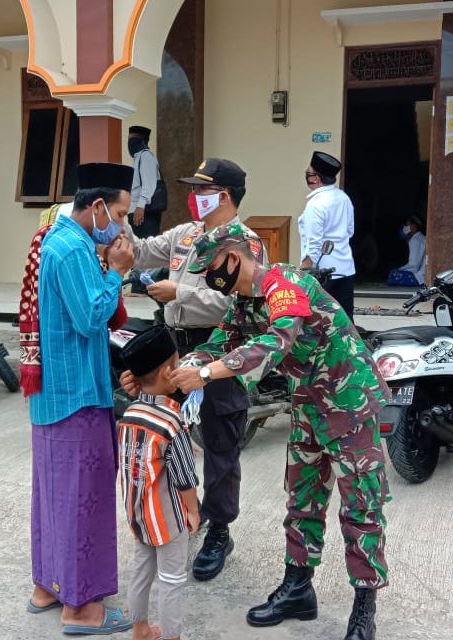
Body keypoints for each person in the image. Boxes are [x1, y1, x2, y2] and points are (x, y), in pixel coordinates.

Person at [169, 222, 391, 640]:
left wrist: (207, 373)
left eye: (212, 267)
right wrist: (189, 363)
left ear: (234, 259)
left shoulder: (284, 284)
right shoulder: (242, 301)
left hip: (349, 403)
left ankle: (364, 608)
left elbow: (276, 342)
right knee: (302, 497)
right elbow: (222, 340)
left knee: (360, 506)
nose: (208, 278)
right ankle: (298, 590)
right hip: (308, 401)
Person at [120, 157, 265, 583]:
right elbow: (145, 249)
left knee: (220, 441)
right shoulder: (187, 234)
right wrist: (123, 215)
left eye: (200, 191)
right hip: (173, 349)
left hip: (216, 350)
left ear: (222, 196)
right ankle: (184, 510)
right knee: (167, 435)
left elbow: (229, 303)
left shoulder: (244, 242)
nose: (192, 197)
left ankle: (219, 529)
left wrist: (177, 291)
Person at [24, 162, 136, 636]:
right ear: (96, 207)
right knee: (82, 500)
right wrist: (117, 272)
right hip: (76, 396)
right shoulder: (71, 249)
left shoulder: (60, 240)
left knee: (54, 495)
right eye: (120, 212)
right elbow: (91, 319)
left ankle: (49, 586)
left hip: (55, 394)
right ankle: (83, 609)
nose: (124, 224)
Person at [117, 325, 201, 640]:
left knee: (141, 570)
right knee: (171, 578)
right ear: (169, 372)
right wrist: (193, 511)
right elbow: (184, 476)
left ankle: (139, 628)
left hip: (137, 511)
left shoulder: (129, 414)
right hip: (167, 518)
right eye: (178, 365)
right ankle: (172, 636)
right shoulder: (170, 423)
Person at [300, 151, 356, 320]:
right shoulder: (343, 198)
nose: (306, 176)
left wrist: (304, 276)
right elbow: (350, 231)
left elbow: (313, 245)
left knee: (319, 324)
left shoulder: (315, 205)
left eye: (308, 173)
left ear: (315, 178)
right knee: (345, 322)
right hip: (345, 268)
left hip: (322, 274)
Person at [128, 125, 164, 238]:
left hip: (144, 212)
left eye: (133, 139)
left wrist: (140, 206)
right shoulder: (138, 157)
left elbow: (149, 184)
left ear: (142, 141)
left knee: (144, 247)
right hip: (138, 210)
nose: (130, 143)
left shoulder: (146, 156)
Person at [387, 216, 426, 286]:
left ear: (413, 227)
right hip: (422, 275)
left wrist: (400, 269)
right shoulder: (421, 238)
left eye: (407, 225)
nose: (404, 227)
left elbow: (414, 264)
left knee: (392, 274)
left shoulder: (415, 240)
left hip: (418, 277)